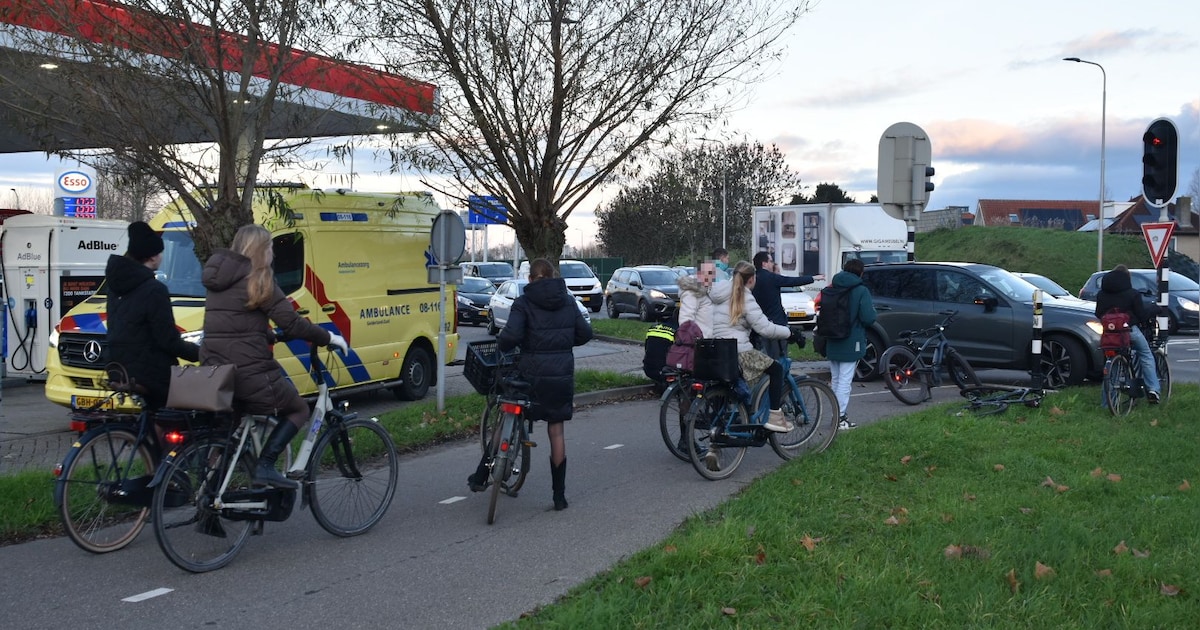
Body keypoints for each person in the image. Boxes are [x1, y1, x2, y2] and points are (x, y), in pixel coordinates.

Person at [200, 225, 348, 488]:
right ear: (259, 250)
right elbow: (292, 323)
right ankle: (265, 466)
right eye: (270, 248)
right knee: (298, 408)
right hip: (248, 370)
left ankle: (210, 496)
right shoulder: (259, 277)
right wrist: (328, 337)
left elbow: (233, 323)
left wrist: (269, 335)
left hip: (216, 369)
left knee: (232, 432)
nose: (273, 254)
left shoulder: (218, 280)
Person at [467, 258, 593, 510]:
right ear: (552, 275)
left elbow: (510, 336)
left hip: (529, 373)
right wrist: (562, 345)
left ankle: (482, 474)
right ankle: (559, 496)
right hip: (560, 375)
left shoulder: (523, 302)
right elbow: (585, 333)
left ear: (531, 278)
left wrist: (505, 345)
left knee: (507, 414)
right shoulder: (568, 301)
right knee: (556, 431)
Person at [105, 221, 200, 410]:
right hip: (149, 373)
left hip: (118, 368)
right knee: (186, 408)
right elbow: (167, 340)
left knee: (153, 416)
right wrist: (198, 353)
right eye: (160, 252)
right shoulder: (154, 290)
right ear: (152, 257)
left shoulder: (115, 286)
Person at [710, 261, 798, 448]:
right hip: (739, 351)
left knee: (731, 392)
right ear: (751, 279)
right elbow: (765, 328)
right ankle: (775, 415)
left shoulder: (720, 293)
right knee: (776, 369)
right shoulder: (745, 296)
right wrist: (790, 333)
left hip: (717, 351)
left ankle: (715, 446)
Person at [1094, 264, 1160, 403]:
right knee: (1145, 354)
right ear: (1127, 278)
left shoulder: (1101, 294)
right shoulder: (1132, 293)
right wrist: (1154, 310)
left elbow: (1098, 313)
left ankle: (1108, 403)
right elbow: (1141, 315)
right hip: (1129, 331)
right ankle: (1153, 389)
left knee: (1112, 365)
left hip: (1110, 334)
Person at [824, 258, 877, 430]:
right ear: (861, 272)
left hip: (831, 338)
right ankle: (840, 418)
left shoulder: (832, 287)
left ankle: (835, 414)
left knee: (836, 379)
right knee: (845, 382)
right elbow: (868, 317)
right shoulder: (860, 290)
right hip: (851, 339)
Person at [750, 251, 823, 359]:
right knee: (779, 356)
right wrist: (813, 278)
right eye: (770, 261)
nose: (772, 264)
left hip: (759, 324)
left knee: (764, 356)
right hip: (777, 323)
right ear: (764, 264)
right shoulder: (772, 278)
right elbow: (792, 281)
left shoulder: (752, 279)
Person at [676, 259, 717, 337]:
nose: (711, 277)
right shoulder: (691, 293)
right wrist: (691, 339)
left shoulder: (706, 292)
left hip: (706, 340)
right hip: (696, 341)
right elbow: (686, 320)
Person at [643, 322, 676, 393]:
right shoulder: (678, 331)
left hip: (648, 368)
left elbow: (646, 347)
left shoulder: (653, 327)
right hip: (665, 370)